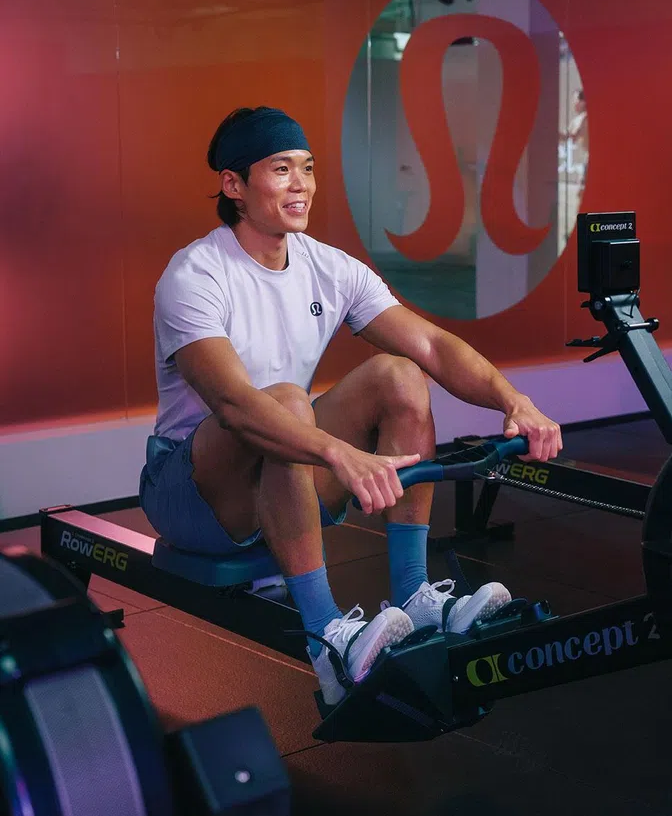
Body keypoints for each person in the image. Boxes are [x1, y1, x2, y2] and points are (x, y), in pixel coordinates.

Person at [140, 106, 562, 706]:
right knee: (285, 403)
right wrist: (341, 454)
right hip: (193, 495)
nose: (301, 185)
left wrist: (513, 401)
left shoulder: (327, 267)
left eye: (307, 169)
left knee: (399, 374)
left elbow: (434, 346)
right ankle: (327, 641)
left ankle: (416, 594)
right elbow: (234, 407)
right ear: (233, 186)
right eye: (280, 169)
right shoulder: (196, 274)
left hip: (283, 470)